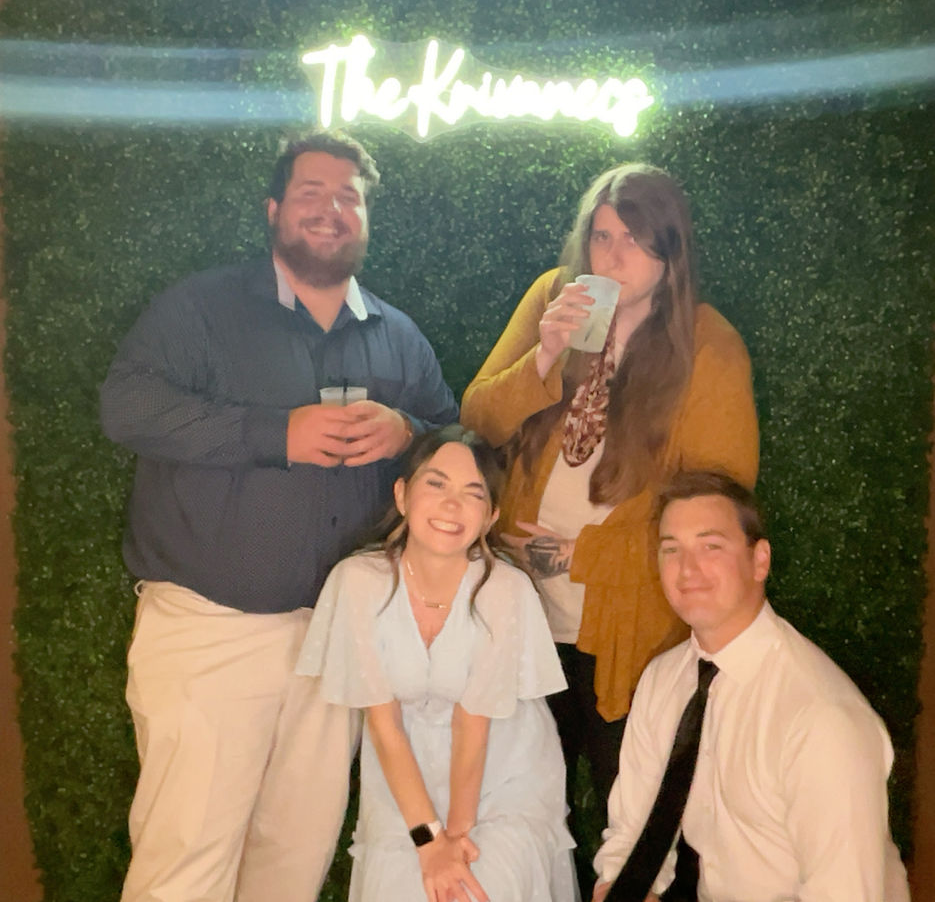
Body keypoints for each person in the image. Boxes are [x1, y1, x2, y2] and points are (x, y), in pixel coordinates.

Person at [99, 131, 458, 902]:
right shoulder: (200, 308)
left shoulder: (397, 335)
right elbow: (127, 406)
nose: (330, 209)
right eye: (310, 193)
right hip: (210, 630)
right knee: (183, 868)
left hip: (337, 643)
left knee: (293, 866)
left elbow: (453, 445)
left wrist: (408, 432)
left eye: (347, 196)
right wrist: (274, 433)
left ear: (365, 217)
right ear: (272, 210)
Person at [460, 162, 759, 878]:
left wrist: (584, 555)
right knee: (523, 814)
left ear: (670, 251)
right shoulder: (554, 298)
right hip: (525, 620)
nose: (613, 256)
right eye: (601, 237)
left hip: (629, 631)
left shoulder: (707, 346)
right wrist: (547, 354)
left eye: (634, 239)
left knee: (633, 819)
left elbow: (719, 501)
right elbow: (479, 417)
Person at [592, 469, 910, 902]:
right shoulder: (664, 680)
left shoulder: (820, 716)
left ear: (760, 561)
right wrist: (617, 888)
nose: (687, 569)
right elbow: (634, 829)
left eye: (711, 546)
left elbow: (845, 893)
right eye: (671, 550)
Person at [295, 424, 578, 902]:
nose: (452, 505)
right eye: (436, 484)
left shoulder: (504, 590)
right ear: (402, 495)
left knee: (478, 888)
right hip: (402, 770)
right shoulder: (358, 582)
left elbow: (474, 726)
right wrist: (429, 840)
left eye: (473, 494)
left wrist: (456, 841)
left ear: (490, 517)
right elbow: (383, 724)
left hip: (502, 773)